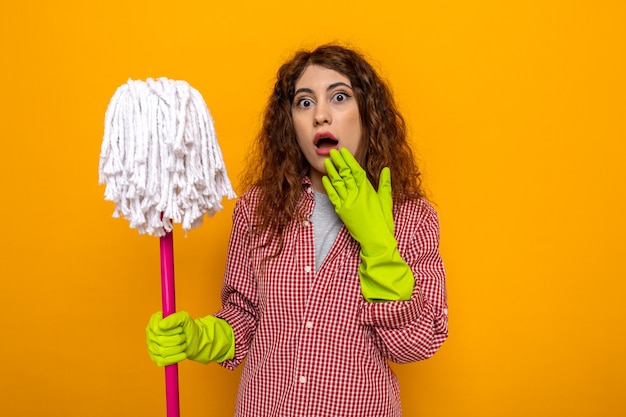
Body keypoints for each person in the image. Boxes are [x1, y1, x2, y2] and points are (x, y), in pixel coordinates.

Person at [146, 44, 448, 417]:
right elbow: (244, 315)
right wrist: (203, 338)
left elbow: (416, 345)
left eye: (339, 97)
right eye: (304, 103)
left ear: (368, 114)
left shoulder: (412, 218)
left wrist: (378, 244)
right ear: (291, 124)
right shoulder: (258, 209)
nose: (321, 115)